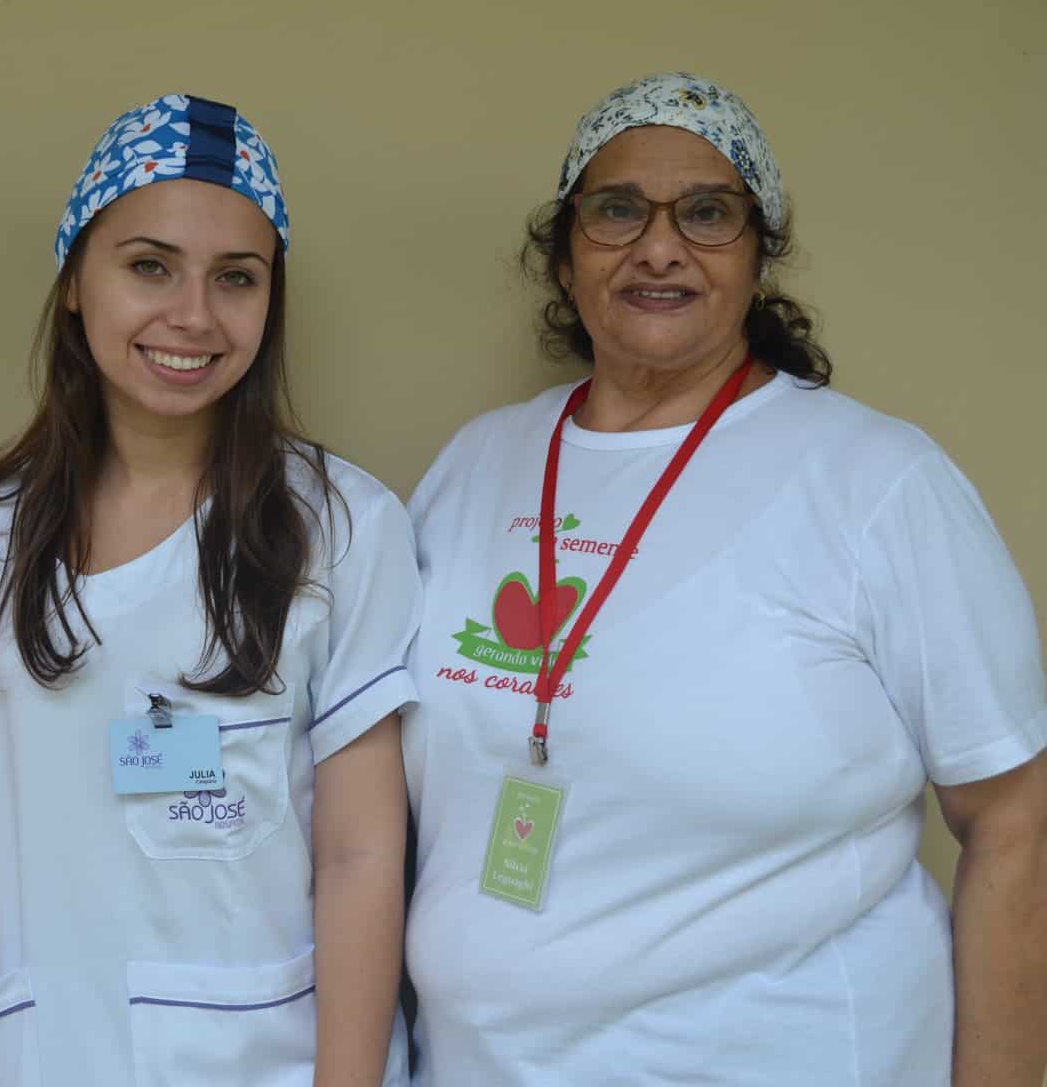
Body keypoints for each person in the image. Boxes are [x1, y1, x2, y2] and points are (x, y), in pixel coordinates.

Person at [401, 72, 1047, 1085]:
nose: (659, 247)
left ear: (757, 256)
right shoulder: (477, 464)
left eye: (707, 213)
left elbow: (1018, 820)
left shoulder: (879, 483)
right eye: (617, 210)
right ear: (566, 255)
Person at [0, 93, 419, 1086]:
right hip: (33, 1057)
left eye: (236, 277)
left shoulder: (340, 526)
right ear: (76, 280)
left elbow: (361, 856)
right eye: (150, 266)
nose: (193, 315)